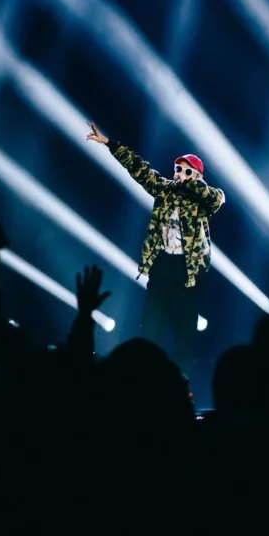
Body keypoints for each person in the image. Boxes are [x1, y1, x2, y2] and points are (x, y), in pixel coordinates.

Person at [87, 121, 225, 376]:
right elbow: (139, 169)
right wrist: (109, 144)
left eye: (186, 171)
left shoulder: (203, 198)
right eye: (177, 169)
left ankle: (182, 388)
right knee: (151, 332)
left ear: (197, 176)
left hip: (188, 274)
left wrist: (192, 182)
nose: (178, 174)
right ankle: (144, 381)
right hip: (161, 268)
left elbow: (217, 198)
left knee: (184, 336)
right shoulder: (165, 191)